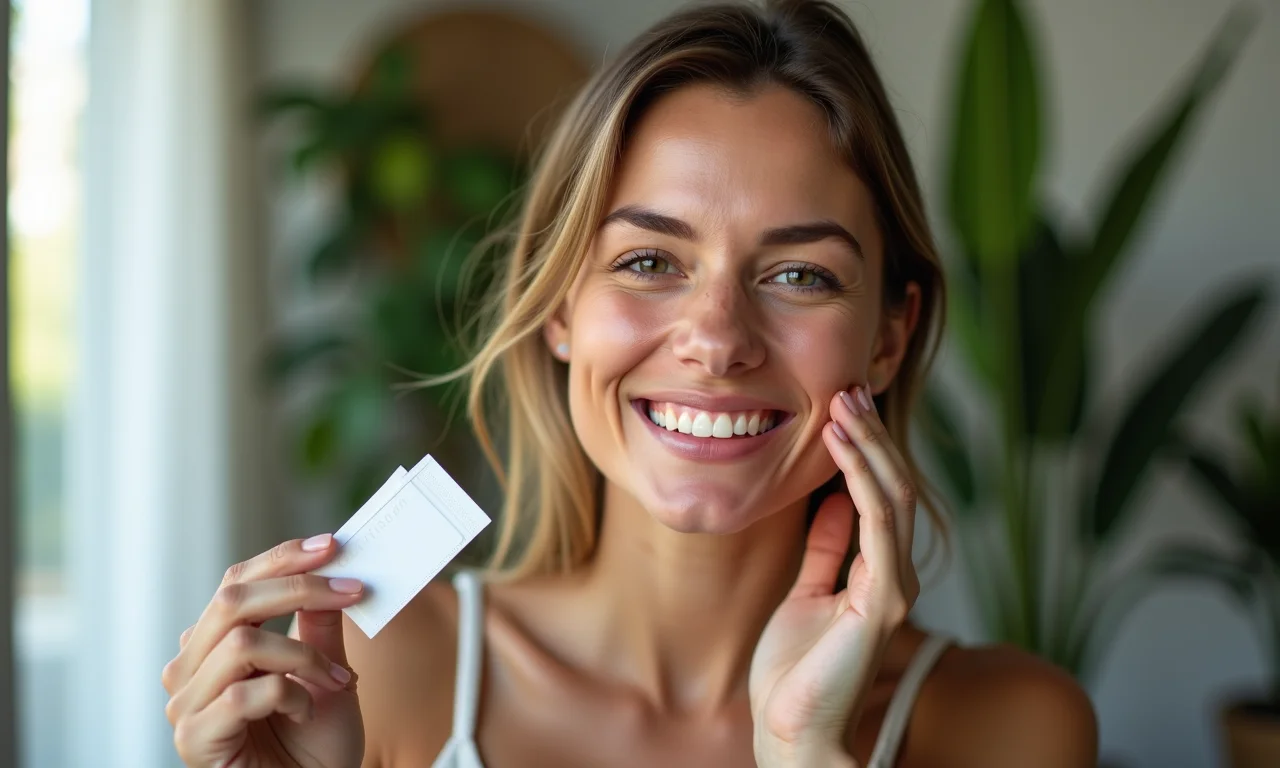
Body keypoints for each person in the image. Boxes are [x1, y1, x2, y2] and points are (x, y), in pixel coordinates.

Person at [162, 1, 1098, 765]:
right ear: (561, 307)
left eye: (800, 275)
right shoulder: (373, 669)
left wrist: (807, 754)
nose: (717, 339)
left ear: (888, 338)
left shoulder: (1013, 728)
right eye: (650, 261)